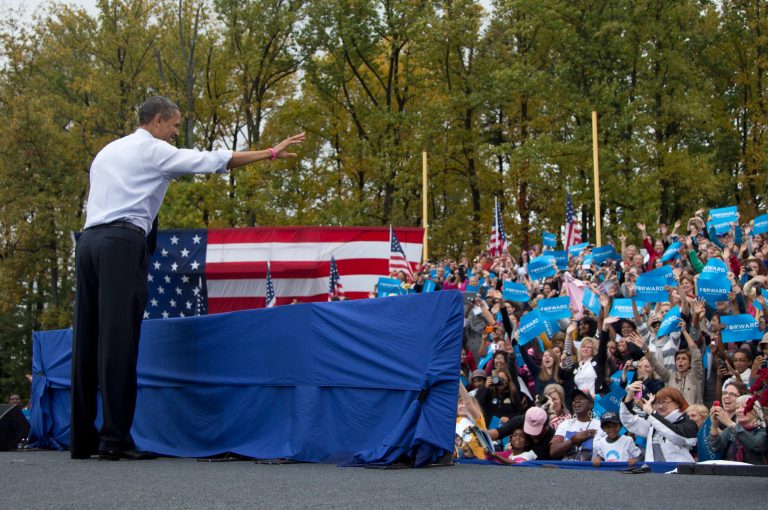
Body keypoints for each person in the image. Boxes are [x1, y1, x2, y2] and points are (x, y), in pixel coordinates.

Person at [71, 96, 304, 461]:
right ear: (159, 120)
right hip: (120, 243)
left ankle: (81, 441)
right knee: (119, 342)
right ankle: (114, 440)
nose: (177, 133)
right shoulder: (153, 151)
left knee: (87, 339)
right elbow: (213, 160)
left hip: (87, 244)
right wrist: (269, 152)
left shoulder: (108, 151)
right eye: (176, 126)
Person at [619, 387, 697, 462]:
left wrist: (652, 413)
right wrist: (628, 397)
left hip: (679, 472)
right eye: (658, 402)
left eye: (665, 402)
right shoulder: (653, 423)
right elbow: (630, 421)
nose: (660, 406)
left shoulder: (688, 422)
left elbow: (676, 436)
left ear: (678, 403)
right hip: (654, 472)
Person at [709, 395, 768, 464]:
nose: (739, 410)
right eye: (737, 408)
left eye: (744, 407)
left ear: (755, 411)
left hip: (754, 473)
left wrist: (729, 423)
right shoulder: (731, 430)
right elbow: (715, 448)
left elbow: (756, 446)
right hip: (731, 473)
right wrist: (714, 425)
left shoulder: (762, 430)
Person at [549, 389, 604, 461]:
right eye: (574, 400)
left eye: (581, 399)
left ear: (591, 404)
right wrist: (572, 441)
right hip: (568, 470)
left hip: (591, 471)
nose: (576, 401)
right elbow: (553, 451)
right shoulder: (565, 424)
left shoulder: (601, 425)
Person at [487, 406, 557, 461]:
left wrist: (495, 455)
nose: (532, 434)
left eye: (535, 430)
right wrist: (481, 436)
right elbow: (498, 432)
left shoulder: (552, 437)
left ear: (545, 426)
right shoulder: (519, 421)